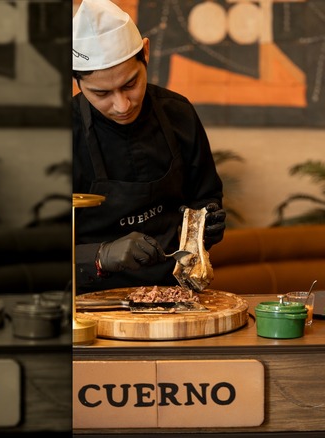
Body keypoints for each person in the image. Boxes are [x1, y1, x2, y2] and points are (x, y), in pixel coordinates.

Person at [71, 0, 226, 293]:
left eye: (130, 84)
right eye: (101, 93)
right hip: (90, 297)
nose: (122, 105)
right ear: (77, 82)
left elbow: (204, 196)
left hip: (174, 291)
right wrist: (100, 255)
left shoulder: (178, 114)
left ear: (146, 52)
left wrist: (207, 225)